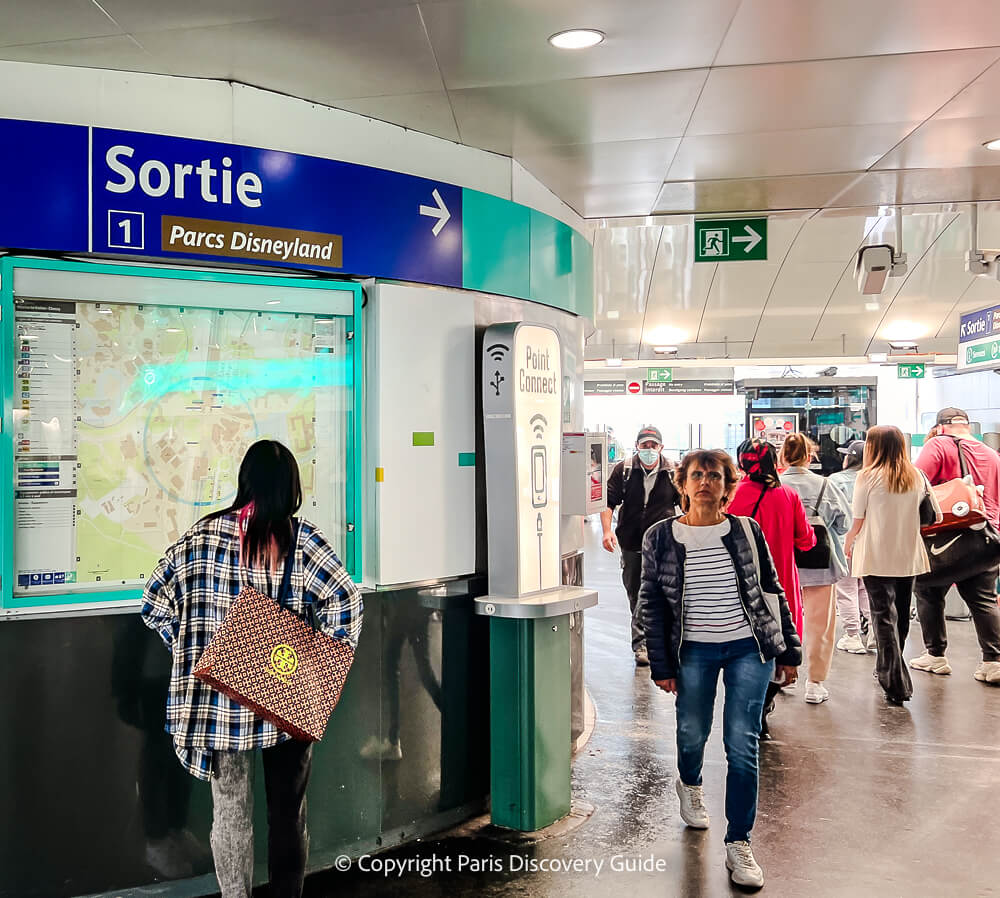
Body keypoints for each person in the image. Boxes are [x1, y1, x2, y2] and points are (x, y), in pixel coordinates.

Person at [140, 440, 363, 898]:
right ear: (291, 488)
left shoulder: (199, 538)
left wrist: (203, 654)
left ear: (244, 482)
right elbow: (346, 602)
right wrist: (315, 662)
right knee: (288, 815)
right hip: (288, 703)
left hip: (221, 707)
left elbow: (155, 604)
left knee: (231, 816)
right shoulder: (302, 542)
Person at [641, 449, 801, 890]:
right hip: (692, 652)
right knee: (692, 731)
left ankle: (739, 842)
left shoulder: (746, 530)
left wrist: (787, 650)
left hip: (748, 649)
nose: (705, 482)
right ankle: (689, 783)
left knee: (741, 742)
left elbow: (771, 588)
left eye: (715, 475)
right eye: (697, 475)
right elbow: (651, 604)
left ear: (728, 484)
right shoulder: (661, 537)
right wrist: (661, 662)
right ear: (683, 483)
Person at [843, 426, 941, 705]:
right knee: (899, 614)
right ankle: (888, 668)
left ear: (874, 446)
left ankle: (895, 682)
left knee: (883, 616)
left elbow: (858, 519)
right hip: (908, 553)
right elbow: (934, 515)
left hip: (876, 553)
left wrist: (848, 542)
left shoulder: (868, 477)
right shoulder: (917, 476)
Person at [728, 439, 815, 736]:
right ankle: (763, 706)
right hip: (781, 588)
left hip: (739, 586)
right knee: (779, 647)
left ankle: (747, 707)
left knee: (744, 647)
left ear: (741, 464)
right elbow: (805, 540)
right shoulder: (788, 496)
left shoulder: (732, 497)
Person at [911, 407, 1000, 683]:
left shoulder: (938, 444)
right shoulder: (991, 454)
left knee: (927, 590)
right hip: (988, 536)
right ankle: (993, 661)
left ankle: (936, 655)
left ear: (940, 427)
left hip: (947, 536)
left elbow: (915, 484)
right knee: (983, 599)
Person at [778, 433, 852, 704]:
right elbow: (844, 523)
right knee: (819, 626)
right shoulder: (825, 485)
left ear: (783, 457)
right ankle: (815, 683)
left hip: (783, 564)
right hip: (820, 564)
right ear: (810, 457)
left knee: (784, 621)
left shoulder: (776, 485)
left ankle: (784, 671)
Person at [602, 425, 680, 666]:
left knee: (662, 592)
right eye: (644, 445)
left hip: (662, 544)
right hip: (631, 542)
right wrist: (607, 531)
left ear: (661, 447)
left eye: (653, 445)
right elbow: (609, 502)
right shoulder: (624, 470)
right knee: (636, 593)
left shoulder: (673, 472)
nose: (649, 450)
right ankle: (644, 642)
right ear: (637, 446)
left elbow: (686, 504)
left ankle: (649, 643)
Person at [828, 439, 873, 654]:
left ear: (851, 457)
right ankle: (875, 633)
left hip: (844, 540)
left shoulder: (836, 480)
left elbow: (830, 512)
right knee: (866, 588)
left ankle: (852, 635)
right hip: (871, 542)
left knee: (846, 590)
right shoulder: (875, 479)